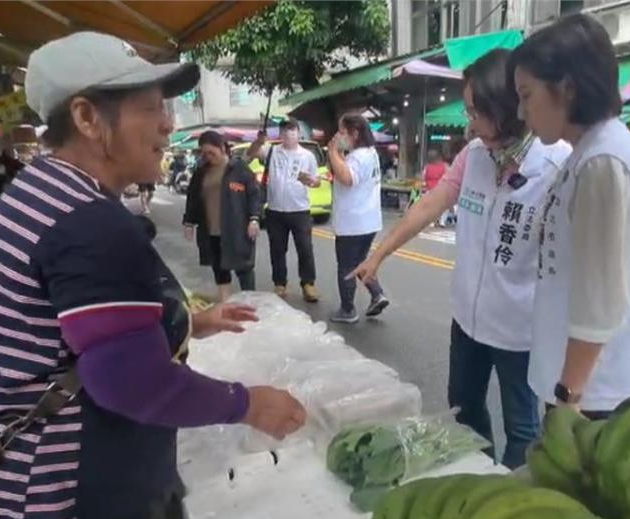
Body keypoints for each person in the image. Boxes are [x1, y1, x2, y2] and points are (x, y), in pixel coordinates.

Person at [0, 32, 306, 519]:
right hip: (61, 503)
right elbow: (129, 382)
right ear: (88, 118)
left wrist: (188, 324)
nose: (168, 123)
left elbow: (64, 329)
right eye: (150, 108)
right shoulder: (89, 223)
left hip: (12, 491)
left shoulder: (40, 190)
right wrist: (248, 403)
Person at [351, 49, 571, 468]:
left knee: (523, 427)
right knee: (463, 409)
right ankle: (478, 475)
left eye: (476, 111)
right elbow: (428, 206)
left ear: (507, 107)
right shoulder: (474, 155)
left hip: (521, 330)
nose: (469, 121)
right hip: (468, 320)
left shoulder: (557, 163)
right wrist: (378, 255)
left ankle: (510, 502)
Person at [509, 14, 630, 417]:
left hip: (594, 397)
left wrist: (567, 396)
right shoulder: (591, 152)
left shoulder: (603, 163)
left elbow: (601, 302)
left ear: (567, 88)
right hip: (590, 388)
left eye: (527, 95)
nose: (521, 113)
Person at [243, 120, 320, 302]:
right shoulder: (271, 151)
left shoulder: (307, 156)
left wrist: (310, 181)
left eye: (292, 131)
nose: (288, 135)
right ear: (280, 134)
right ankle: (280, 283)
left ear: (299, 134)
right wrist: (259, 141)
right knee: (277, 249)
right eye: (285, 131)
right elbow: (250, 154)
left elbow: (317, 182)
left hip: (300, 210)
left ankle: (308, 283)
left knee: (305, 248)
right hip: (275, 210)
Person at [183, 130, 262, 301]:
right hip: (211, 229)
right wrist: (189, 223)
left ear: (222, 148)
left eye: (211, 152)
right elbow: (193, 199)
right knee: (219, 268)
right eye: (204, 153)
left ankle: (252, 303)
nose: (208, 156)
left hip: (236, 228)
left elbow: (254, 195)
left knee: (244, 267)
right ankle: (225, 301)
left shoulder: (238, 169)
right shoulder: (201, 172)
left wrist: (254, 219)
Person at [327, 114, 389, 324]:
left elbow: (347, 178)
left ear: (355, 133)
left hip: (352, 222)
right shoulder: (370, 153)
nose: (338, 136)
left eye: (342, 132)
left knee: (346, 266)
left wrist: (332, 152)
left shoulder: (359, 156)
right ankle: (377, 293)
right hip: (368, 221)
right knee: (359, 261)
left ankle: (347, 309)